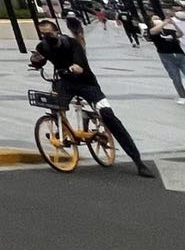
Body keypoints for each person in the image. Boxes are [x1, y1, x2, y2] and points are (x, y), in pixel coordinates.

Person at [30, 17, 154, 178]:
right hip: (64, 82)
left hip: (86, 83)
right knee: (55, 105)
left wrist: (77, 67)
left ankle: (138, 161)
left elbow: (80, 61)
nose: (46, 36)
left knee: (108, 115)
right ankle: (63, 131)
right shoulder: (42, 46)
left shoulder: (72, 43)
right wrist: (36, 61)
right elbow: (41, 61)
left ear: (56, 31)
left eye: (49, 33)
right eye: (43, 34)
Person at [146, 13, 185, 104]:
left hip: (180, 55)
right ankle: (183, 96)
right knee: (176, 78)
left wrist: (174, 24)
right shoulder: (152, 31)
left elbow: (180, 34)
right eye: (155, 19)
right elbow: (153, 32)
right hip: (166, 56)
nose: (157, 20)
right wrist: (164, 23)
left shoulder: (169, 30)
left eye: (158, 18)